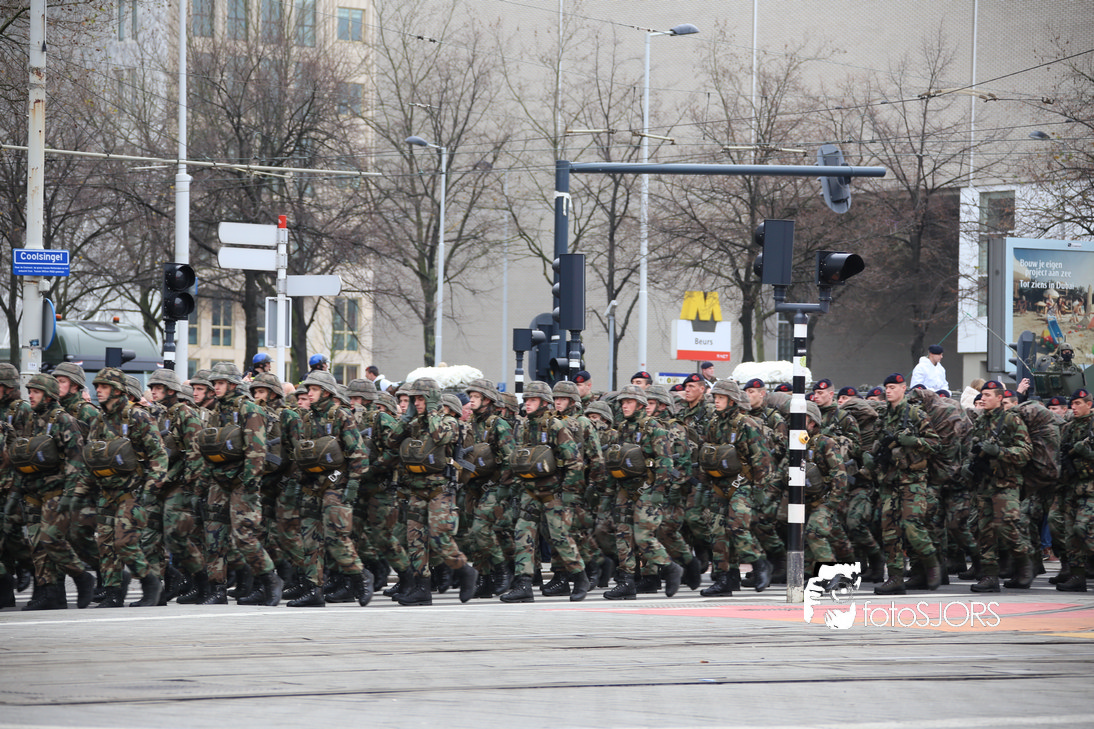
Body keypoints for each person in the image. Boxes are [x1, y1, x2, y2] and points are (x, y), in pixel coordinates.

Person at [196, 362, 283, 606]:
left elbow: (256, 450)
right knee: (213, 536)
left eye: (221, 383)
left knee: (244, 535)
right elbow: (207, 446)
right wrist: (204, 481)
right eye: (215, 383)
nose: (216, 387)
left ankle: (270, 580)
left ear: (233, 385)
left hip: (242, 482)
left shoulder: (249, 409)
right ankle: (217, 589)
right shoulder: (215, 411)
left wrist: (249, 482)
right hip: (218, 480)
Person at [386, 377, 478, 605]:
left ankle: (465, 571)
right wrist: (405, 419)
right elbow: (391, 441)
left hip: (440, 490)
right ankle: (422, 588)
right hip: (417, 489)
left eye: (421, 399)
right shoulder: (414, 422)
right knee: (415, 539)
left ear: (432, 399)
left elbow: (440, 436)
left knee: (439, 537)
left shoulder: (449, 421)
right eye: (414, 399)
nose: (416, 403)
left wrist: (433, 411)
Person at [9, 374, 96, 610]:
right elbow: (23, 454)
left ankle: (82, 577)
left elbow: (76, 460)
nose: (30, 395)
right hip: (33, 492)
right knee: (37, 545)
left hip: (55, 492)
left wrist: (70, 495)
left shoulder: (64, 420)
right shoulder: (31, 420)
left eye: (36, 392)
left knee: (51, 539)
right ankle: (50, 593)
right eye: (30, 391)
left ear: (48, 395)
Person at [499, 381, 588, 603]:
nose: (527, 404)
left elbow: (574, 461)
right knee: (523, 535)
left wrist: (569, 493)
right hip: (530, 492)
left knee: (560, 537)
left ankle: (580, 578)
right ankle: (524, 584)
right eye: (526, 400)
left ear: (544, 403)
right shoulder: (524, 427)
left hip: (553, 493)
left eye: (533, 400)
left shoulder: (555, 426)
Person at [85, 367, 167, 608]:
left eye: (104, 386)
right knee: (106, 544)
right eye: (97, 386)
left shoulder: (138, 416)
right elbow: (91, 456)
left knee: (124, 542)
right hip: (106, 491)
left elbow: (159, 455)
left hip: (133, 492)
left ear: (118, 390)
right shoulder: (99, 420)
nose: (98, 390)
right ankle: (113, 592)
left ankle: (151, 584)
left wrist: (150, 489)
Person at [870, 373, 943, 595]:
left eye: (893, 387)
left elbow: (935, 444)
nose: (888, 391)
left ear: (904, 389)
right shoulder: (883, 416)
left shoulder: (915, 414)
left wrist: (914, 441)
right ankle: (895, 578)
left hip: (912, 481)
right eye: (887, 387)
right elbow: (877, 443)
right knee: (889, 531)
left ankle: (931, 564)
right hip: (889, 481)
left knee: (912, 526)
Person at [962, 380, 1036, 593]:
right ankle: (990, 576)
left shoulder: (1011, 420)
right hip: (985, 484)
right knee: (985, 531)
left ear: (999, 398)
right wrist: (969, 465)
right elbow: (974, 448)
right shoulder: (981, 421)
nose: (983, 398)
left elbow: (1025, 451)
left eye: (987, 395)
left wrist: (1000, 452)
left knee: (1006, 527)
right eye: (982, 394)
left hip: (1006, 483)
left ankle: (1024, 565)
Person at [1057, 387, 1094, 592]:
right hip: (1071, 487)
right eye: (1072, 404)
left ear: (1089, 404)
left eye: (1078, 403)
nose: (1074, 407)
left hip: (1090, 487)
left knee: (1083, 528)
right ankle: (1077, 576)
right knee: (1070, 534)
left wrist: (1086, 452)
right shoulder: (1068, 428)